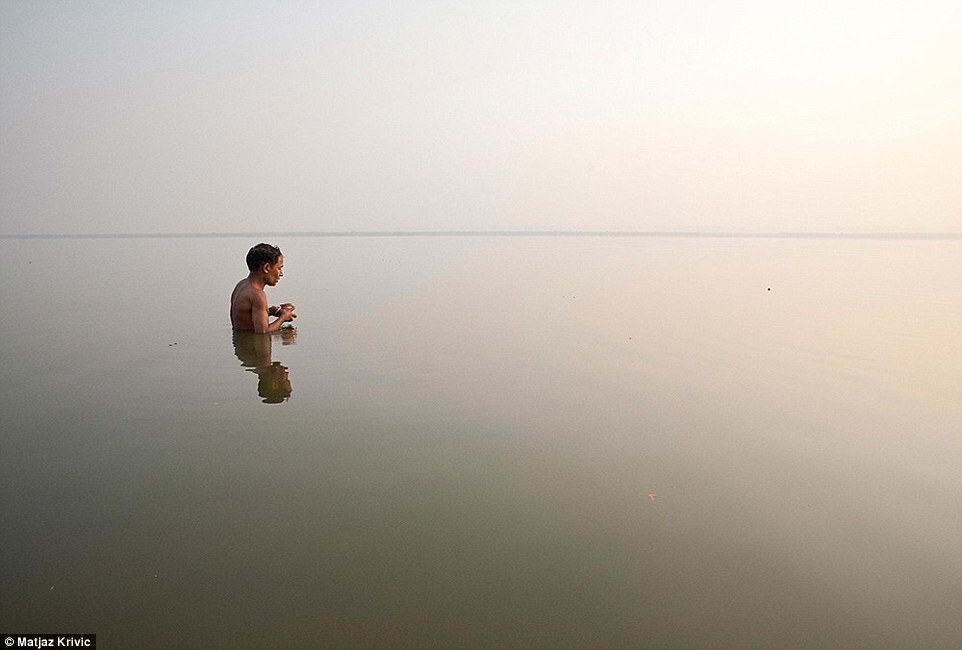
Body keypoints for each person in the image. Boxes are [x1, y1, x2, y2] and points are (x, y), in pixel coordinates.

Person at [230, 243, 297, 333]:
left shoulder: (241, 285)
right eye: (279, 268)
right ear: (266, 268)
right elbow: (263, 332)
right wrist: (283, 318)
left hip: (241, 342)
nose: (281, 273)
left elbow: (247, 316)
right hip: (252, 346)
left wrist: (271, 311)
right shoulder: (257, 295)